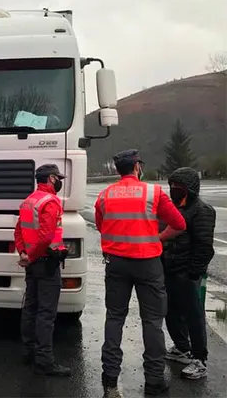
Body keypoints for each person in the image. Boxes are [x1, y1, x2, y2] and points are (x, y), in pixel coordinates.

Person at [96, 149, 187, 396]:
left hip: (116, 263)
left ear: (118, 170)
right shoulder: (154, 192)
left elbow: (100, 225)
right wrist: (157, 237)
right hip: (148, 264)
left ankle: (110, 379)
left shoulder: (104, 195)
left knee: (114, 318)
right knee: (152, 322)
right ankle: (154, 380)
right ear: (137, 167)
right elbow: (179, 224)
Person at [14, 163, 71, 377]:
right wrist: (33, 256)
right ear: (51, 179)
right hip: (46, 263)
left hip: (32, 263)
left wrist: (23, 254)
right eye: (58, 178)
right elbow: (47, 236)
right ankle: (45, 362)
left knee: (30, 308)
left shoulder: (29, 201)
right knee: (46, 313)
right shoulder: (51, 201)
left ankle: (28, 353)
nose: (60, 182)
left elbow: (19, 230)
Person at [162, 167, 216, 380]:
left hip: (188, 273)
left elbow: (204, 246)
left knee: (194, 316)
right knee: (171, 312)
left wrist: (195, 272)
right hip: (169, 271)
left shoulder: (202, 210)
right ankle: (182, 348)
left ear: (190, 188)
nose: (174, 189)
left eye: (179, 186)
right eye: (172, 185)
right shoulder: (172, 207)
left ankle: (199, 359)